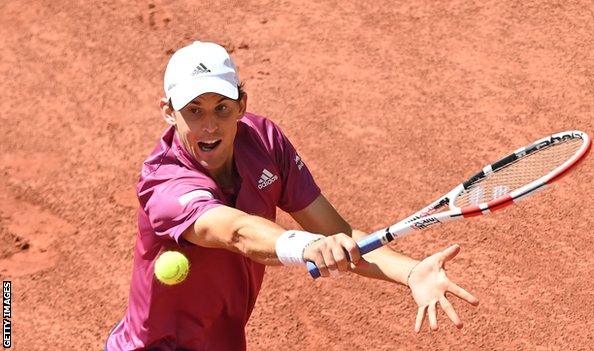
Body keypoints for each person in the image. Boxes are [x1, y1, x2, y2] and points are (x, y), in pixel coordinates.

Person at [104, 41, 479, 351]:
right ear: (169, 113)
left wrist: (411, 271)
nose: (210, 125)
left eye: (221, 108)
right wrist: (305, 246)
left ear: (242, 105)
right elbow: (236, 232)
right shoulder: (165, 183)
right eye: (193, 111)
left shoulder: (265, 142)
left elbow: (339, 231)